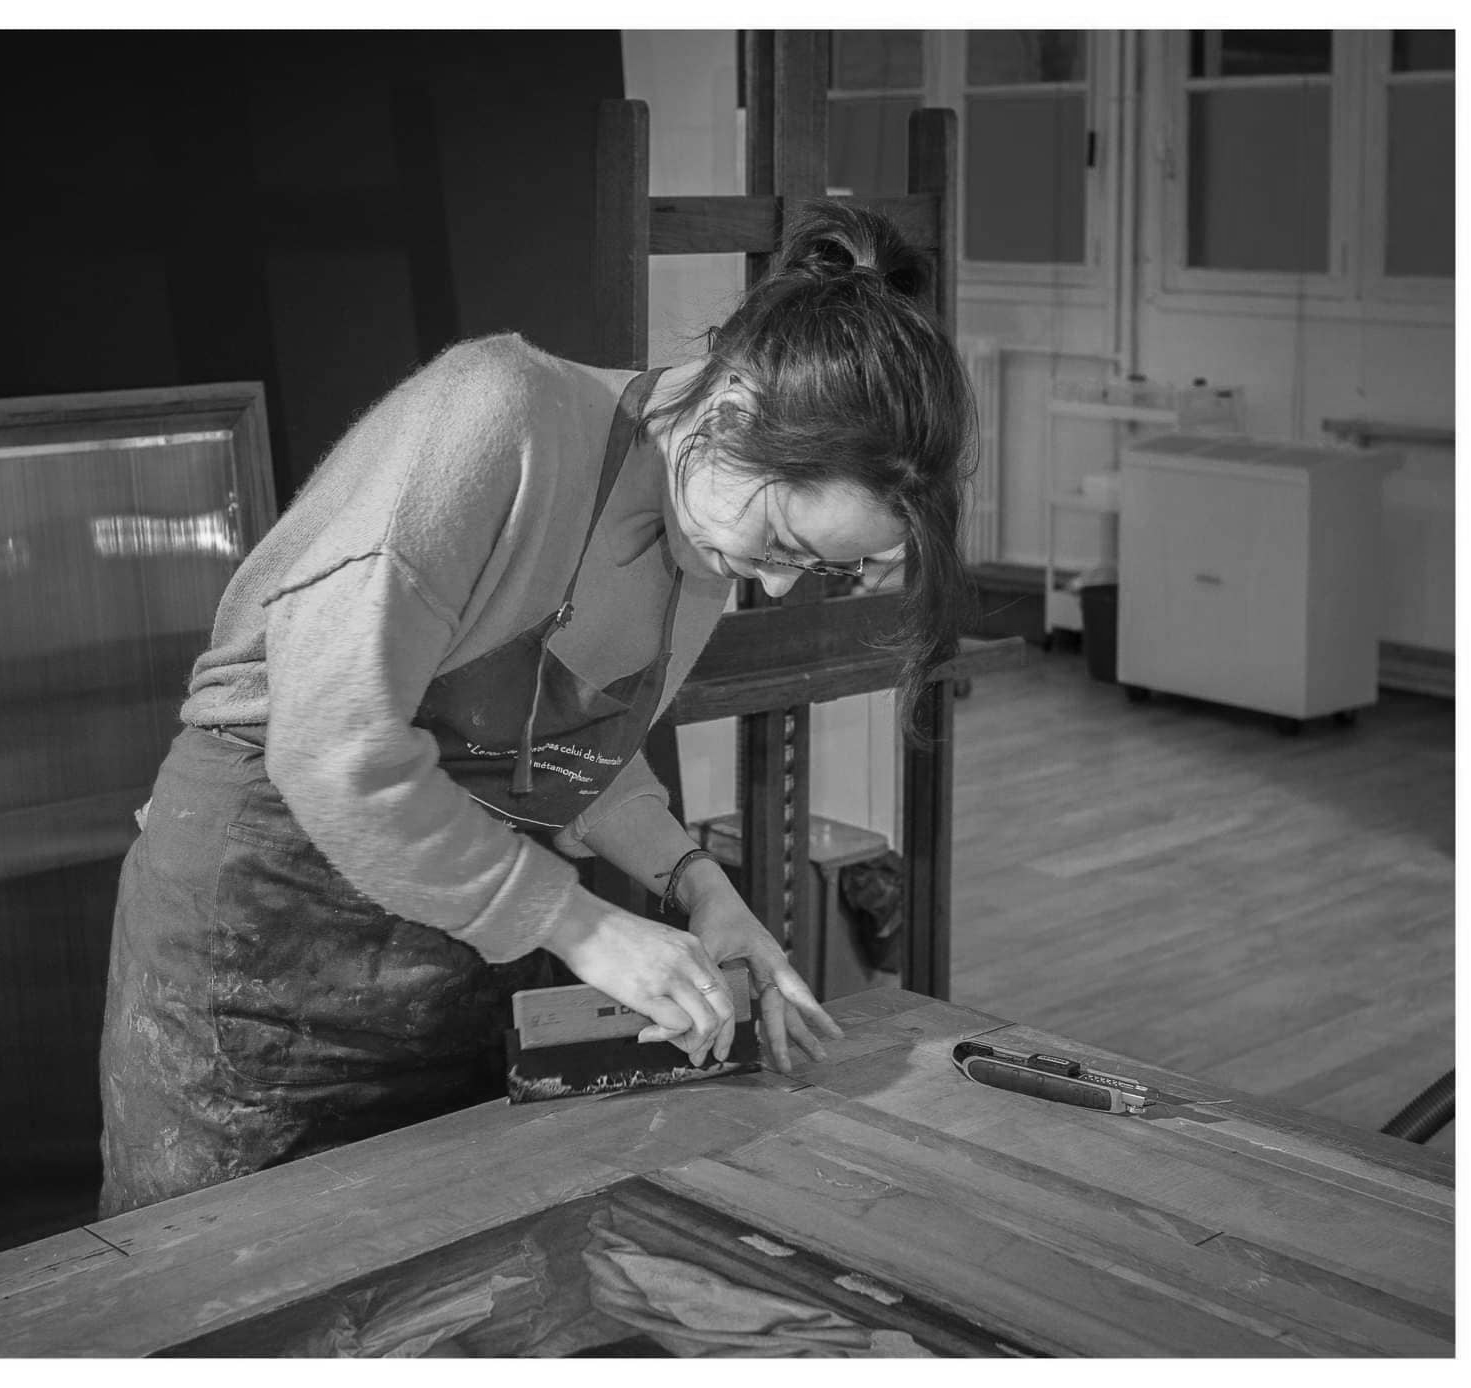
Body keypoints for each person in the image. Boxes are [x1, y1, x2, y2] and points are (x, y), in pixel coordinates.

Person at [98, 198, 977, 1218]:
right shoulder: (497, 419)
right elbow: (332, 746)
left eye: (817, 569)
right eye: (782, 540)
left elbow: (563, 749)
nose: (774, 587)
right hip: (258, 924)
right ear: (731, 407)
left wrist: (696, 881)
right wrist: (578, 922)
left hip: (449, 933)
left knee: (426, 1281)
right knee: (224, 1280)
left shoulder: (701, 526)